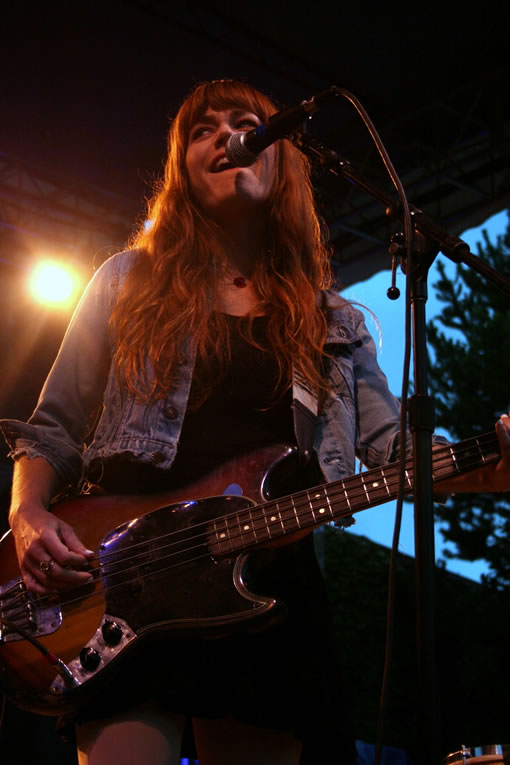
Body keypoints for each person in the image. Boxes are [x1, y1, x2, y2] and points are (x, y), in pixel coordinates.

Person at [1, 79, 509, 765]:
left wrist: (491, 466)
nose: (228, 136)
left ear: (283, 160)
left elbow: (398, 455)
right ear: (180, 168)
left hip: (268, 582)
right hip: (132, 575)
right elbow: (52, 427)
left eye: (246, 123)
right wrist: (29, 511)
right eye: (203, 130)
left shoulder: (337, 321)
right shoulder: (125, 281)